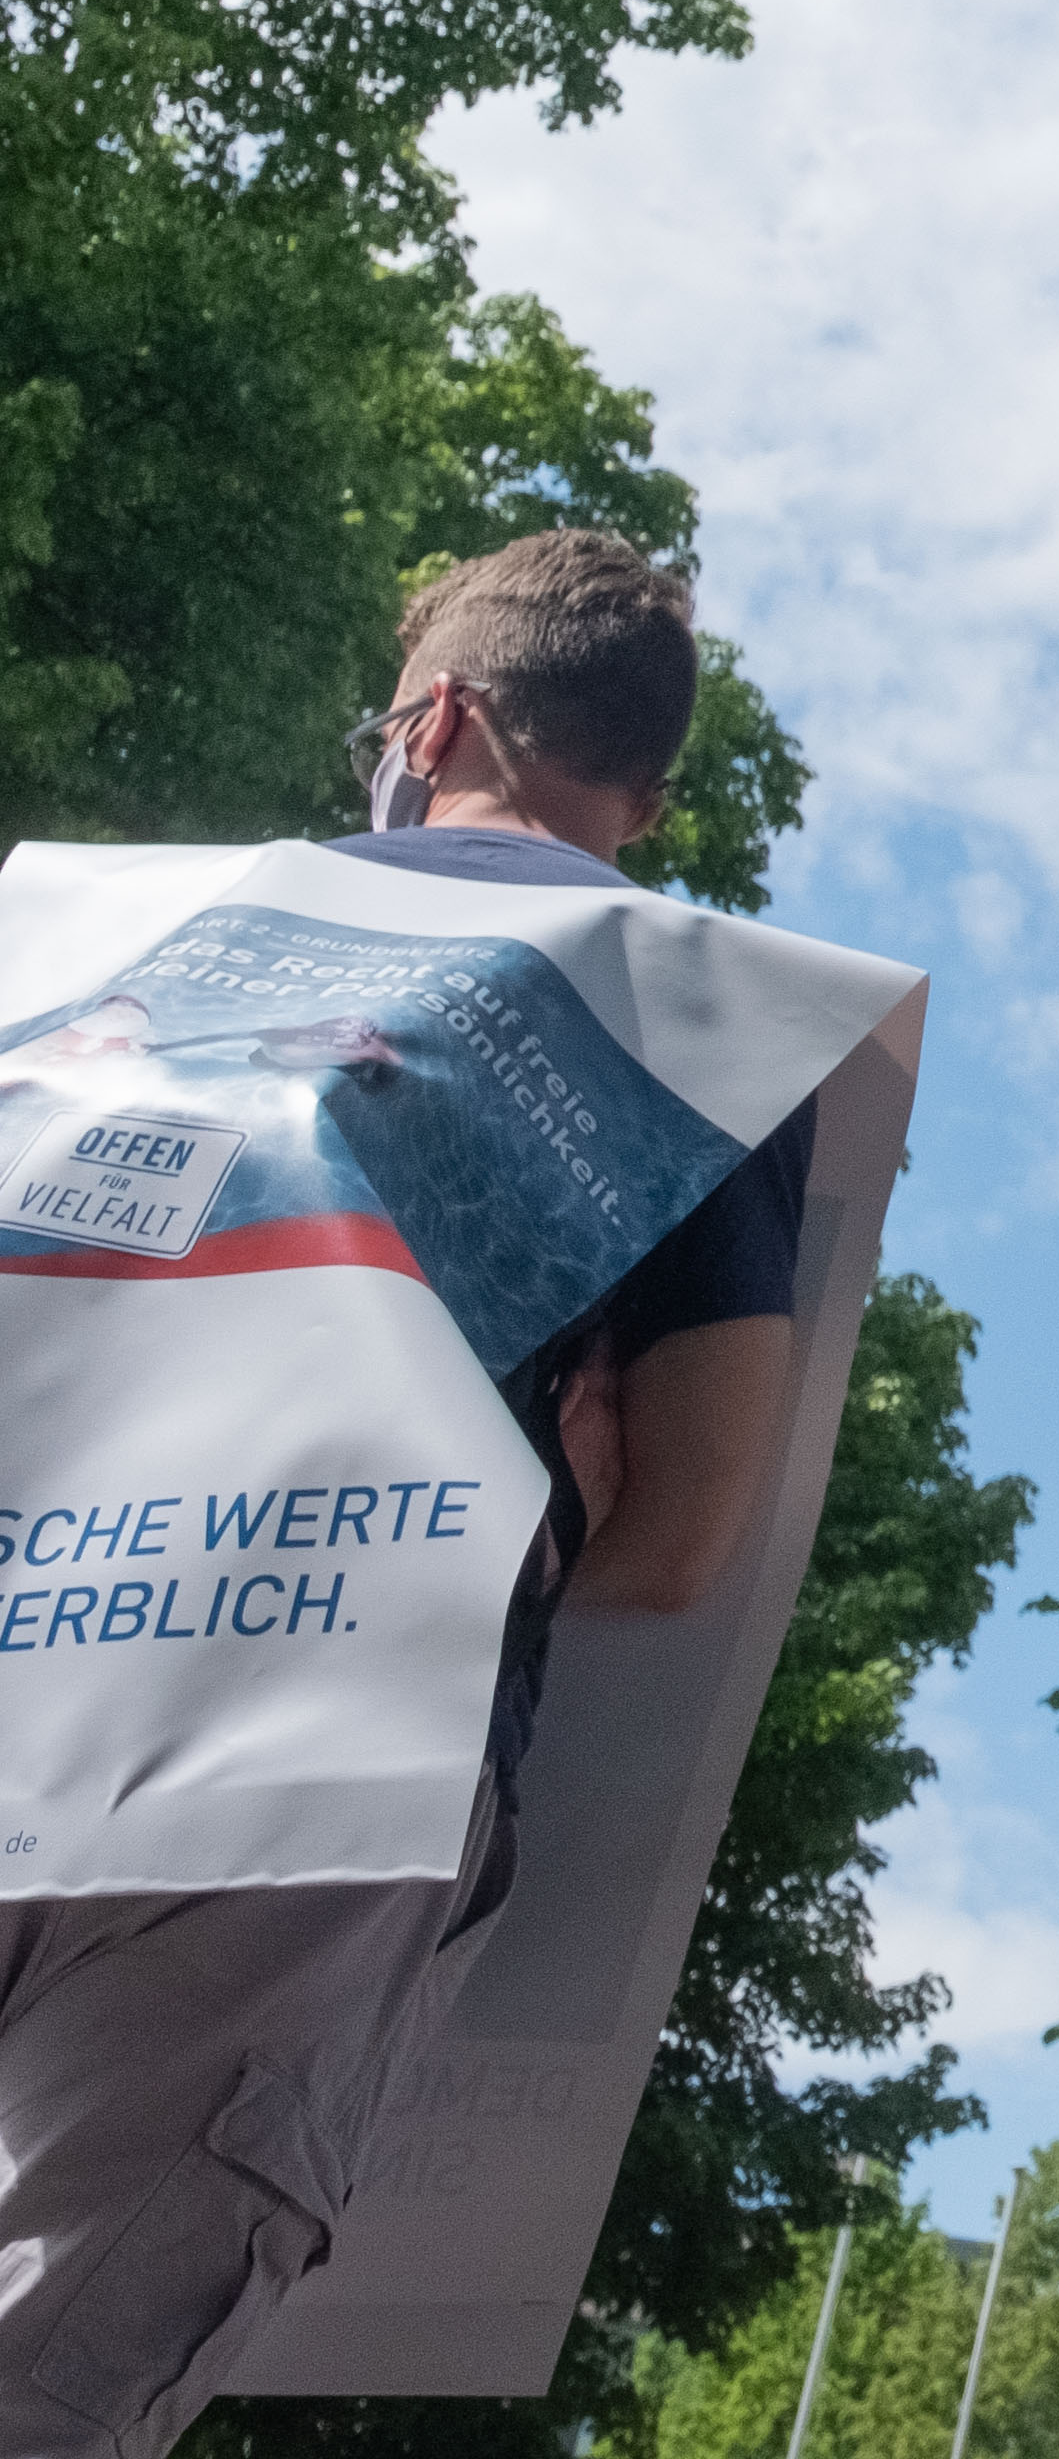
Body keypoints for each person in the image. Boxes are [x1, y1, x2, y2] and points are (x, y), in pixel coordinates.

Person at [0, 526, 815, 2455]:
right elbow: (684, 1528)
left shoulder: (98, 949)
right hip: (305, 1762)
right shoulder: (694, 1023)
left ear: (432, 718)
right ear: (645, 784)